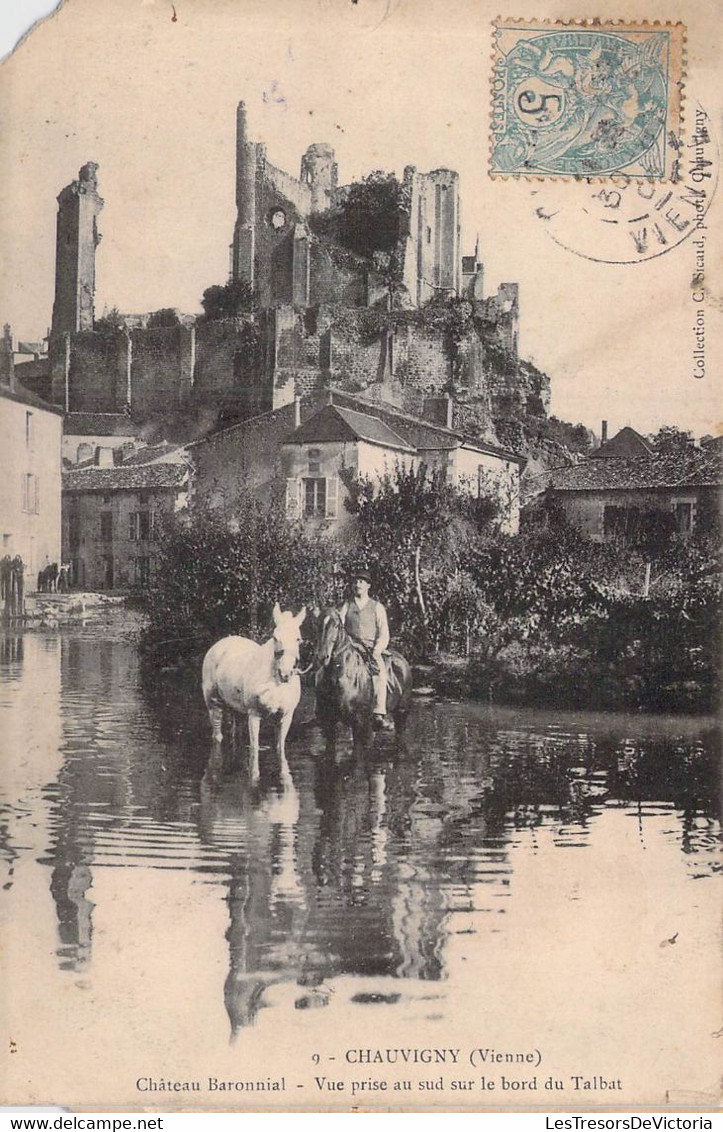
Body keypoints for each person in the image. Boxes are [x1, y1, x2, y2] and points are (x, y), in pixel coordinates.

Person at [339, 567, 394, 730]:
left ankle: (379, 712)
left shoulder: (377, 607)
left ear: (368, 586)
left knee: (380, 674)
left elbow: (384, 633)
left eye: (362, 582)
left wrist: (378, 649)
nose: (358, 585)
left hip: (370, 649)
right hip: (349, 648)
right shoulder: (346, 606)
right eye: (356, 582)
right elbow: (339, 627)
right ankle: (322, 710)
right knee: (325, 670)